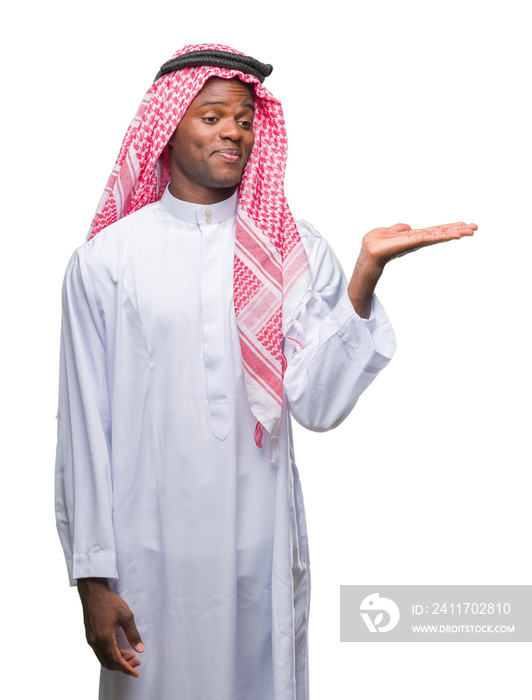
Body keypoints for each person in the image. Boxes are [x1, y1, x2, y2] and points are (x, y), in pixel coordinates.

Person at [55, 43, 476, 700]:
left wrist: (363, 279)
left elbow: (318, 403)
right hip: (144, 555)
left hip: (259, 547)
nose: (235, 132)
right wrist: (92, 578)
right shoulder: (105, 263)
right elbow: (85, 428)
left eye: (247, 119)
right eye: (214, 116)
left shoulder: (290, 248)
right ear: (168, 128)